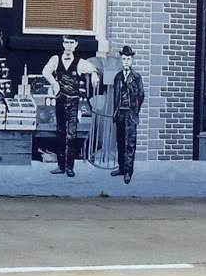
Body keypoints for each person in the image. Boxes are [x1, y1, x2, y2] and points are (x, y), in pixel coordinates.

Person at [41, 34, 98, 176]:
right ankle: (60, 166)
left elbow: (93, 68)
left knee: (71, 134)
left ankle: (69, 167)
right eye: (66, 42)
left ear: (75, 45)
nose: (68, 45)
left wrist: (94, 74)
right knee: (60, 132)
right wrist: (55, 84)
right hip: (60, 100)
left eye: (71, 43)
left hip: (73, 102)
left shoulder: (80, 62)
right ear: (63, 44)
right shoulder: (55, 59)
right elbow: (45, 72)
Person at [110, 44, 146, 184]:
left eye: (128, 59)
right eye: (124, 59)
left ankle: (128, 172)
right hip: (120, 113)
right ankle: (121, 168)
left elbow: (141, 96)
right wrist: (116, 111)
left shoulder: (136, 77)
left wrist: (134, 110)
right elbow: (115, 96)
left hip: (130, 114)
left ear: (132, 61)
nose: (126, 61)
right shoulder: (118, 77)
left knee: (130, 143)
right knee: (120, 141)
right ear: (121, 60)